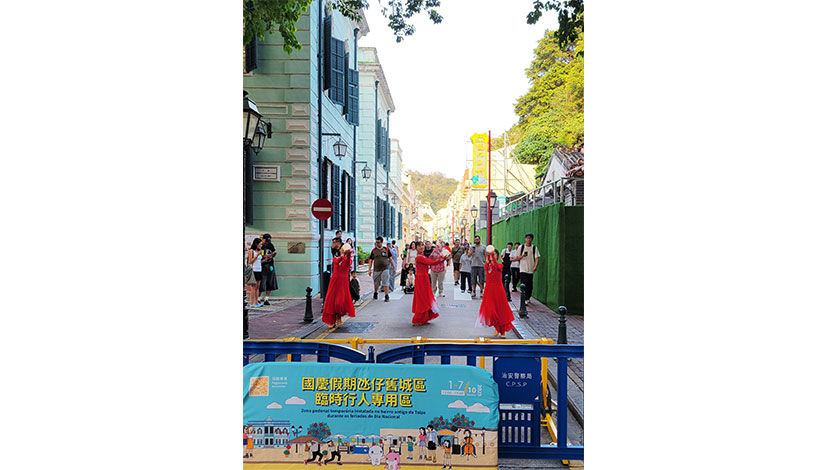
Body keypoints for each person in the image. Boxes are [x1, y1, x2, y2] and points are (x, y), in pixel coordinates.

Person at [476, 245, 515, 338]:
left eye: (494, 254)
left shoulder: (500, 266)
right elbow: (486, 265)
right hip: (489, 290)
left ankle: (502, 331)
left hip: (498, 290)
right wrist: (488, 256)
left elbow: (496, 265)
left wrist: (492, 255)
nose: (492, 256)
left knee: (501, 310)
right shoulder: (487, 266)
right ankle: (497, 327)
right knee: (491, 310)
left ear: (497, 256)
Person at [411, 248, 449, 325]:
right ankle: (419, 318)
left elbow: (430, 261)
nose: (422, 247)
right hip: (421, 278)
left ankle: (424, 317)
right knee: (423, 298)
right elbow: (431, 262)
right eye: (420, 246)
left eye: (422, 245)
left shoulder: (422, 256)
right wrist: (441, 259)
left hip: (424, 277)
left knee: (425, 297)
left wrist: (441, 259)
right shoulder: (419, 257)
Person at [322, 244, 355, 328]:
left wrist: (348, 254)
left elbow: (348, 262)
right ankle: (332, 321)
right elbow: (337, 262)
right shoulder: (335, 258)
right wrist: (343, 256)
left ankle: (339, 318)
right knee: (331, 301)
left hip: (343, 283)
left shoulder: (349, 260)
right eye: (342, 249)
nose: (342, 251)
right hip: (334, 282)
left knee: (340, 301)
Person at [511, 233, 540, 305]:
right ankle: (524, 298)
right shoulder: (521, 247)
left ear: (532, 239)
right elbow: (517, 257)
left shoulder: (534, 248)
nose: (528, 239)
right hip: (522, 269)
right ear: (525, 239)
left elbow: (537, 258)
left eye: (530, 238)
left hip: (531, 269)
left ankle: (528, 297)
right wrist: (522, 256)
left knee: (530, 285)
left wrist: (535, 266)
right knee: (523, 284)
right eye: (527, 238)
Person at [368, 237, 395, 302]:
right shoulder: (374, 250)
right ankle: (375, 292)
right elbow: (371, 260)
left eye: (378, 242)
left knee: (385, 282)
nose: (377, 244)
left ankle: (386, 296)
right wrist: (369, 269)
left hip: (385, 268)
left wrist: (394, 267)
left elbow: (390, 259)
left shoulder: (386, 249)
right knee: (376, 283)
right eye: (376, 242)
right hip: (376, 269)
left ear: (382, 242)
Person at [259, 234, 278, 305]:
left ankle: (266, 298)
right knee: (261, 282)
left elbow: (274, 252)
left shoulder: (270, 245)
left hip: (270, 265)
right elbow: (258, 254)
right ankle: (258, 298)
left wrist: (271, 255)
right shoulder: (261, 246)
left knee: (270, 282)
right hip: (263, 266)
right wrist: (264, 256)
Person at [247, 238, 263, 308]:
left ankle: (256, 302)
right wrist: (257, 255)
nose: (261, 246)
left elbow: (259, 261)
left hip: (259, 270)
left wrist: (266, 259)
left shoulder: (259, 251)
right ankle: (251, 302)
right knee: (253, 287)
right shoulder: (251, 251)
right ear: (256, 244)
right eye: (260, 244)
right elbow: (250, 261)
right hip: (254, 270)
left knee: (258, 287)